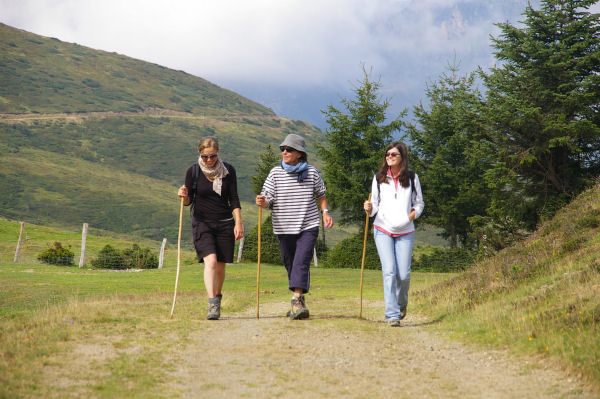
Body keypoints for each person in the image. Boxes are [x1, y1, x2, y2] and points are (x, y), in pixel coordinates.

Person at [255, 133, 333, 320]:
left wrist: (325, 213)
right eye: (283, 149)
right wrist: (263, 201)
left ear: (299, 153)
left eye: (289, 149)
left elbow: (321, 195)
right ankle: (299, 302)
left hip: (308, 225)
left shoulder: (312, 173)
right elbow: (268, 199)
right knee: (290, 264)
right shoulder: (275, 173)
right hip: (283, 227)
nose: (284, 152)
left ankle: (297, 299)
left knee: (301, 262)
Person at [178, 136, 244, 320]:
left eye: (212, 156)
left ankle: (218, 295)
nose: (209, 160)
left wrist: (238, 223)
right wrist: (183, 196)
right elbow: (188, 201)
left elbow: (234, 199)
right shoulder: (193, 171)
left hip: (225, 223)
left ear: (218, 153)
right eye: (205, 156)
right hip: (202, 223)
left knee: (221, 267)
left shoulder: (228, 171)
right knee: (211, 262)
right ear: (200, 154)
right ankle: (212, 302)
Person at [363, 142, 424, 327]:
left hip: (405, 230)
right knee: (389, 271)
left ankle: (400, 304)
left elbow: (419, 203)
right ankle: (392, 315)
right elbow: (374, 206)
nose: (389, 156)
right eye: (387, 154)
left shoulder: (412, 177)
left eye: (394, 154)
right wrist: (369, 208)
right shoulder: (379, 177)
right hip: (383, 229)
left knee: (403, 275)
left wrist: (411, 217)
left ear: (402, 157)